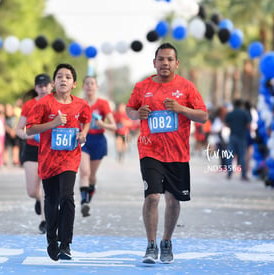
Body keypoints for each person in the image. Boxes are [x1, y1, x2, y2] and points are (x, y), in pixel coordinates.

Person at [126, 42, 208, 264]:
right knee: (152, 196)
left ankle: (166, 242)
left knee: (173, 201)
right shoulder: (142, 86)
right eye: (161, 59)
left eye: (170, 59)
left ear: (177, 63)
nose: (165, 63)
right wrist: (137, 114)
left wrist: (181, 109)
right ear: (154, 62)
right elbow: (129, 109)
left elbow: (203, 116)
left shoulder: (187, 87)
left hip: (178, 154)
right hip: (149, 149)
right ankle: (151, 245)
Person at [26, 63, 91, 261]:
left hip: (70, 159)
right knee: (52, 202)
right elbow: (30, 129)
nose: (63, 80)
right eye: (59, 77)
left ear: (74, 83)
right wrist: (53, 124)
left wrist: (83, 134)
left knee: (67, 197)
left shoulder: (80, 105)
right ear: (54, 82)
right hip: (48, 160)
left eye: (67, 77)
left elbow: (86, 120)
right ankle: (51, 239)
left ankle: (65, 244)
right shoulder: (44, 103)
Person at [16, 74, 53, 235]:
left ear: (51, 86)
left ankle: (45, 221)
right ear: (36, 87)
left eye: (46, 85)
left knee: (46, 188)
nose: (43, 88)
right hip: (31, 149)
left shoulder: (57, 103)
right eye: (40, 86)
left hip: (51, 150)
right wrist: (27, 135)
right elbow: (18, 129)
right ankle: (38, 200)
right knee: (32, 191)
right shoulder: (29, 105)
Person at [79, 76, 116, 217]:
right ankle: (84, 202)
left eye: (92, 84)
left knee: (92, 175)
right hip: (83, 140)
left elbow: (113, 126)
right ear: (83, 86)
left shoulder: (103, 104)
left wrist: (103, 124)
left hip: (98, 140)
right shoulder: (79, 103)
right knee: (84, 172)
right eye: (87, 84)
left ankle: (91, 189)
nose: (89, 86)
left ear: (96, 87)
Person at [225, 99, 252, 181]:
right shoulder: (245, 113)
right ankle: (243, 175)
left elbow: (226, 123)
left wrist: (232, 127)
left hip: (232, 135)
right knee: (242, 156)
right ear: (241, 105)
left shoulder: (230, 113)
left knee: (230, 156)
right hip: (242, 137)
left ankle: (229, 173)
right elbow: (248, 125)